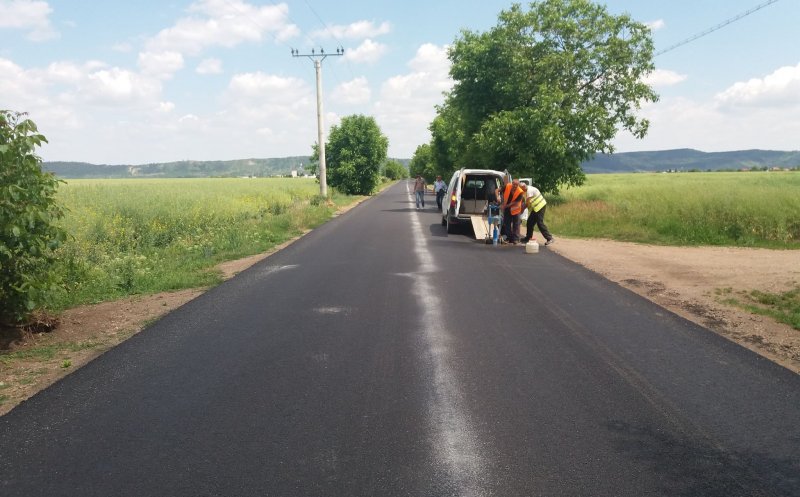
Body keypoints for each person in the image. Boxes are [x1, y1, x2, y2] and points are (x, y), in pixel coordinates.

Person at [499, 178, 525, 244]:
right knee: (507, 223)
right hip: (507, 208)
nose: (515, 186)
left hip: (516, 209)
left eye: (516, 185)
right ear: (512, 183)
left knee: (516, 224)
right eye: (514, 184)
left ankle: (515, 239)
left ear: (518, 185)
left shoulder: (520, 192)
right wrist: (497, 197)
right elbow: (497, 190)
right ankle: (509, 238)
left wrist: (504, 206)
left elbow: (514, 203)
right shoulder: (507, 186)